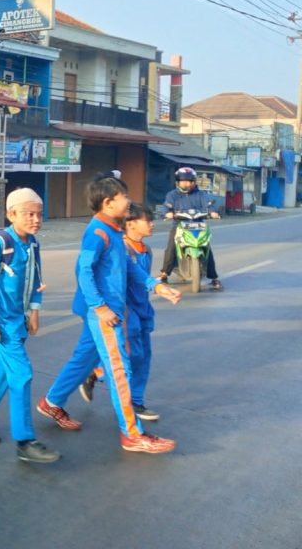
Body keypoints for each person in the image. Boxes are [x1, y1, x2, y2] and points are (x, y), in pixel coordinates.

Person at [37, 174, 181, 454]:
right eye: (124, 196)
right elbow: (84, 270)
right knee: (119, 371)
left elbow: (128, 267)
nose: (129, 201)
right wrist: (100, 307)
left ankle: (51, 402)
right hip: (106, 313)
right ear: (107, 202)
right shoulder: (98, 233)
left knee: (83, 359)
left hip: (106, 311)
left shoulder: (114, 231)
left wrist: (156, 286)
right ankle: (132, 435)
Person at [0, 188, 59, 464]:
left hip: (18, 321)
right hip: (2, 325)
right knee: (21, 375)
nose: (35, 219)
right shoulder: (0, 243)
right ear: (11, 214)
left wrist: (35, 310)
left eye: (39, 214)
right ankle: (25, 440)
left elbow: (36, 277)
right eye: (29, 214)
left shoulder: (33, 243)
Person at [82, 203, 179, 422]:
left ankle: (135, 399)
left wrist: (159, 287)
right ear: (131, 224)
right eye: (148, 220)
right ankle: (100, 375)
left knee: (143, 356)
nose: (152, 224)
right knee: (129, 357)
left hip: (143, 308)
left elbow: (142, 278)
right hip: (127, 310)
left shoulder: (146, 250)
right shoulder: (121, 248)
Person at [159, 167, 222, 290]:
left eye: (189, 181)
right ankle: (164, 274)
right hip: (179, 225)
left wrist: (213, 212)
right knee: (171, 245)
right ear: (178, 182)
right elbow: (166, 207)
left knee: (206, 247)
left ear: (194, 182)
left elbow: (210, 205)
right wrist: (167, 213)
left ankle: (213, 277)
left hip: (199, 225)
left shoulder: (201, 194)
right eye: (183, 181)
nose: (186, 183)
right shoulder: (172, 195)